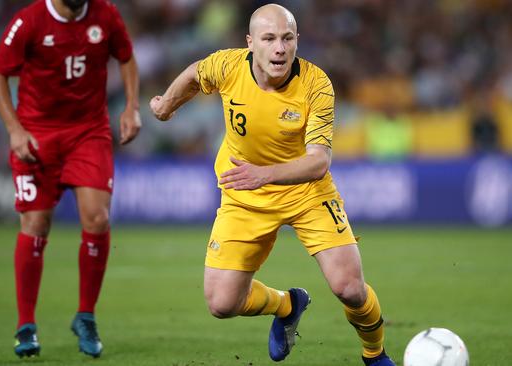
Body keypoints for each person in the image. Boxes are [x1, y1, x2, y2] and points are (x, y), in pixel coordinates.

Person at [149, 4, 395, 366]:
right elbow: (194, 74)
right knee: (221, 303)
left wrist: (264, 173)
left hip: (306, 192)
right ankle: (288, 305)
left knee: (350, 288)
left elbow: (318, 162)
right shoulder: (229, 66)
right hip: (245, 194)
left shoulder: (315, 83)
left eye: (287, 38)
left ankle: (375, 355)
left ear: (297, 41)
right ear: (251, 43)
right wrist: (166, 105)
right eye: (269, 39)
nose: (279, 48)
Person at [0, 0, 140, 358]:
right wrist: (14, 130)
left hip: (88, 132)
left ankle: (86, 315)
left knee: (97, 217)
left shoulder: (105, 14)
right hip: (37, 134)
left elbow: (127, 57)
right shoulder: (29, 21)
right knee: (36, 223)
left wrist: (131, 106)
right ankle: (26, 325)